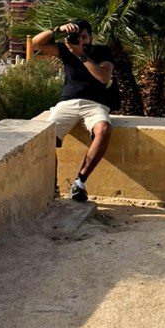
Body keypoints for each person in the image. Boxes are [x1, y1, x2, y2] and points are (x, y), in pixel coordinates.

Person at [32, 19, 117, 202]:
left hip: (95, 103)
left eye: (84, 37)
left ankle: (80, 182)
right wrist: (58, 29)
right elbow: (37, 42)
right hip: (68, 102)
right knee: (47, 138)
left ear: (91, 37)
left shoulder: (102, 51)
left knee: (103, 130)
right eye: (76, 37)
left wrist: (81, 55)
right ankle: (53, 186)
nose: (80, 40)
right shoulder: (65, 50)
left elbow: (103, 77)